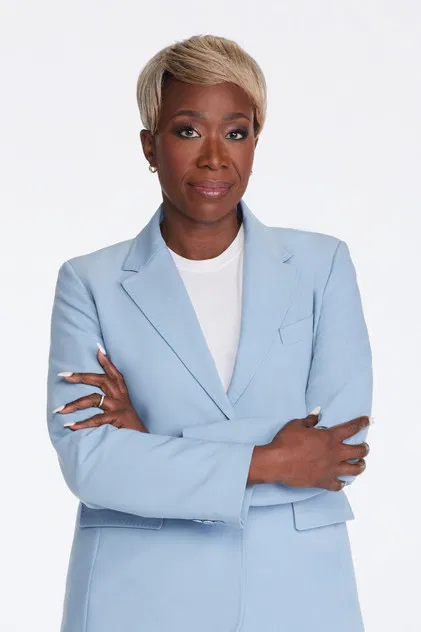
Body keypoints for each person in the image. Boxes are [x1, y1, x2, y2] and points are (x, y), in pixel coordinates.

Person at [46, 34, 372, 632]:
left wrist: (149, 444)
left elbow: (337, 452)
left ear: (256, 142)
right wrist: (273, 459)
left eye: (237, 132)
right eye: (188, 131)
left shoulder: (322, 266)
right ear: (150, 145)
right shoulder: (89, 282)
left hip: (295, 594)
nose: (215, 157)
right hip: (137, 595)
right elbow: (91, 464)